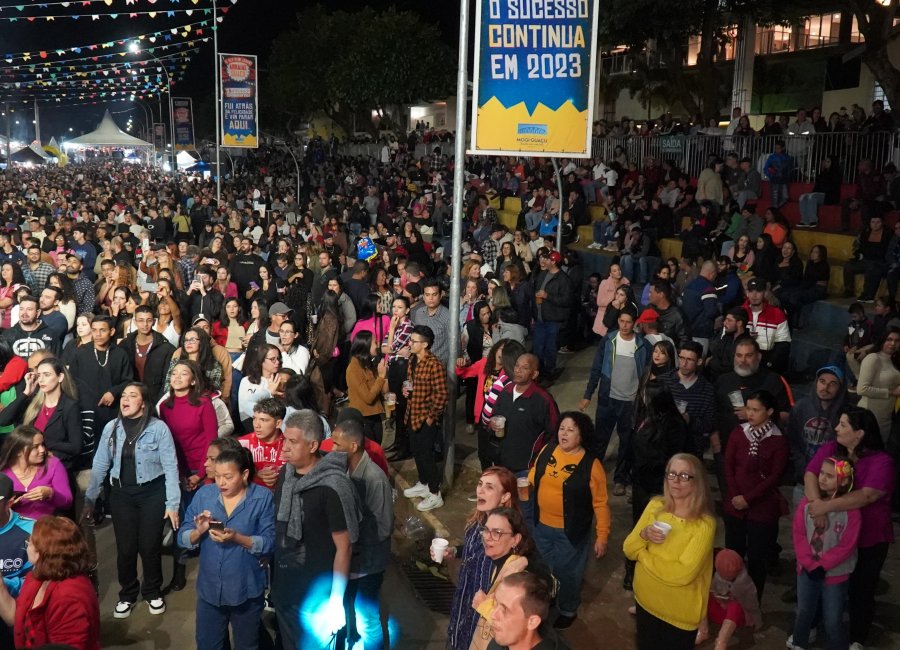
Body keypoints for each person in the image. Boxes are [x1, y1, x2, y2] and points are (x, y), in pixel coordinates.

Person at [84, 382, 181, 618]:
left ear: (144, 403)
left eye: (132, 395)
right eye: (123, 395)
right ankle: (127, 594)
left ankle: (152, 591)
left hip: (152, 493)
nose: (125, 399)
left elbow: (170, 467)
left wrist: (172, 504)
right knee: (126, 548)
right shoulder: (111, 428)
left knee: (149, 547)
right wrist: (90, 499)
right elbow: (100, 464)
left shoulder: (159, 429)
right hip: (121, 495)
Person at [804, 407, 895, 649]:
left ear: (860, 433)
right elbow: (811, 475)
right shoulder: (832, 449)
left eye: (843, 425)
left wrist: (826, 506)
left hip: (869, 536)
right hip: (832, 533)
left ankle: (857, 638)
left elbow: (866, 496)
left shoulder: (881, 461)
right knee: (824, 580)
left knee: (861, 589)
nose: (836, 428)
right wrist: (816, 504)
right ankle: (814, 624)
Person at [271, 409, 360, 650]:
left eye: (292, 441)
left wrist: (335, 601)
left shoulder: (333, 487)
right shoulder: (286, 474)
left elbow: (345, 547)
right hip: (285, 588)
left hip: (317, 598)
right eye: (284, 440)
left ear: (312, 445)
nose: (285, 447)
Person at [178, 446, 275, 650]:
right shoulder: (205, 494)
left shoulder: (262, 498)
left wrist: (238, 538)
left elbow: (270, 541)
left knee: (247, 645)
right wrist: (199, 531)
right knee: (207, 644)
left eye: (228, 477)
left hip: (245, 589)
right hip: (210, 590)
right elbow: (182, 537)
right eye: (218, 476)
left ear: (245, 474)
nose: (221, 482)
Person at [623, 453, 716, 650]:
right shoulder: (656, 506)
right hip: (646, 601)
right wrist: (644, 533)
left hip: (678, 613)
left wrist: (643, 555)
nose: (676, 481)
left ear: (697, 481)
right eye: (671, 474)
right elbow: (628, 549)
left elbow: (682, 575)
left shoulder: (704, 525)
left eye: (684, 476)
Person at [528, 411, 610, 628]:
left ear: (581, 436)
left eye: (571, 429)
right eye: (562, 428)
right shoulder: (548, 450)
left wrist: (602, 535)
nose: (564, 433)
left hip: (570, 532)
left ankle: (568, 609)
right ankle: (548, 599)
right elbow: (535, 474)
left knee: (568, 573)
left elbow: (600, 503)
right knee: (542, 567)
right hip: (541, 526)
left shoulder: (592, 466)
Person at [331, 418, 393, 650]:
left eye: (337, 444)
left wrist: (348, 536)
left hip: (368, 563)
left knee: (368, 618)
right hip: (352, 559)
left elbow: (384, 526)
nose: (333, 449)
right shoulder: (344, 470)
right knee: (348, 611)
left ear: (353, 446)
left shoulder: (375, 479)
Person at [723, 390, 789, 599]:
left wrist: (748, 499)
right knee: (732, 555)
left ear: (769, 412)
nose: (749, 414)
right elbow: (728, 466)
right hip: (734, 504)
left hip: (762, 509)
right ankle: (727, 598)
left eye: (755, 410)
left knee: (757, 559)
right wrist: (735, 496)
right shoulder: (738, 433)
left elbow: (774, 477)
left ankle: (751, 603)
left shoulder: (778, 441)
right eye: (748, 409)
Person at [444, 466, 519, 650]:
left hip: (482, 614)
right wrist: (454, 551)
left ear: (505, 497)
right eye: (480, 484)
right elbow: (472, 551)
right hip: (463, 601)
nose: (480, 490)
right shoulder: (477, 520)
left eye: (490, 487)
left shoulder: (509, 536)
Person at [0, 515, 100, 649]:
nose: (27, 543)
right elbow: (15, 619)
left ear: (42, 553)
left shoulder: (69, 597)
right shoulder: (37, 577)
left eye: (31, 542)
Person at [791, 457, 859, 650]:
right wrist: (808, 562)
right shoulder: (807, 503)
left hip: (835, 574)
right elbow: (799, 534)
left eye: (830, 476)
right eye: (821, 473)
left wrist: (823, 565)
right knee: (803, 611)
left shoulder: (851, 511)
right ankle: (798, 643)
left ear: (844, 481)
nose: (822, 479)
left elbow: (847, 545)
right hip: (806, 570)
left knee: (833, 619)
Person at [580, 310, 648, 494]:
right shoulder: (609, 341)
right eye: (622, 321)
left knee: (626, 442)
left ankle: (620, 479)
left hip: (629, 402)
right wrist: (588, 394)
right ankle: (591, 475)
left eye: (628, 322)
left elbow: (647, 373)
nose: (624, 325)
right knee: (600, 439)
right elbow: (596, 368)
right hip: (607, 399)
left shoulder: (642, 344)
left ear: (634, 323)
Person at [467, 507, 553, 650]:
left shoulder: (518, 573)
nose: (487, 537)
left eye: (497, 533)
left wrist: (485, 606)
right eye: (486, 530)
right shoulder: (498, 560)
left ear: (515, 540)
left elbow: (548, 584)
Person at [491, 353, 559, 522]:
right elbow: (494, 416)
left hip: (526, 470)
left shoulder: (543, 400)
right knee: (503, 508)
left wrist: (539, 463)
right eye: (516, 366)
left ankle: (525, 546)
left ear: (534, 374)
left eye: (525, 367)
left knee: (525, 512)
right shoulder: (505, 392)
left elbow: (554, 433)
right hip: (503, 466)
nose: (518, 370)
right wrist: (493, 426)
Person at [0, 356, 83, 471]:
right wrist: (26, 393)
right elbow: (3, 420)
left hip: (54, 467)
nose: (41, 380)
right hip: (28, 467)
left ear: (60, 377)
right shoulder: (33, 402)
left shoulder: (69, 406)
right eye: (39, 375)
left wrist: (41, 441)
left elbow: (76, 447)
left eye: (47, 375)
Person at [400, 326, 448, 512]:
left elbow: (441, 395)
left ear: (425, 344)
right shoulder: (413, 360)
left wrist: (430, 418)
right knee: (417, 452)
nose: (410, 343)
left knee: (427, 455)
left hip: (425, 418)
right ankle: (424, 483)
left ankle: (435, 494)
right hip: (412, 414)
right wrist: (406, 391)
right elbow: (411, 384)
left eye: (414, 341)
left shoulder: (434, 365)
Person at [0, 425, 72, 520]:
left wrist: (50, 493)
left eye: (42, 444)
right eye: (35, 447)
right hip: (12, 527)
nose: (42, 450)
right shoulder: (3, 472)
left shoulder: (53, 464)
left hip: (44, 527)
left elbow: (67, 502)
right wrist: (7, 506)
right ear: (18, 451)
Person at [695, 549, 761, 650]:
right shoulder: (717, 576)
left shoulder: (746, 583)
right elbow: (713, 589)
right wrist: (718, 598)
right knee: (702, 595)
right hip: (720, 613)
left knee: (735, 606)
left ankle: (721, 642)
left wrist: (733, 598)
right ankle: (703, 631)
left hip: (738, 619)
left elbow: (752, 606)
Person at [485, 571, 569, 650]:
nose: (493, 615)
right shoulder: (496, 645)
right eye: (495, 604)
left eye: (505, 610)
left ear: (532, 622)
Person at [121, 304, 176, 403]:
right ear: (135, 322)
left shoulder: (166, 347)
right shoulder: (125, 345)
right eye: (141, 320)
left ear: (154, 321)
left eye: (149, 320)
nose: (145, 324)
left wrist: (160, 403)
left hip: (155, 401)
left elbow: (167, 380)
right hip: (130, 400)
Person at [531, 251, 572, 380]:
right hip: (540, 318)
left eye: (547, 259)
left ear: (553, 262)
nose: (544, 261)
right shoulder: (543, 274)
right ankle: (539, 372)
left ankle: (549, 373)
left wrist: (548, 296)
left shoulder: (564, 279)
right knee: (538, 348)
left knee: (549, 349)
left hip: (553, 320)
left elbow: (567, 301)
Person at [855, 328, 900, 440]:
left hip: (886, 418)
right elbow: (862, 389)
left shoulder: (894, 361)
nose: (893, 343)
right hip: (869, 416)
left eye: (897, 340)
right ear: (882, 340)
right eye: (889, 339)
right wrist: (891, 392)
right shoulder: (873, 358)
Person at [345, 331, 387, 444]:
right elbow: (368, 398)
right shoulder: (353, 368)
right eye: (375, 342)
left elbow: (382, 391)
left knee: (377, 451)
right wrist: (381, 377)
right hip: (363, 418)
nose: (377, 345)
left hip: (375, 415)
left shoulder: (368, 364)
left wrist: (384, 375)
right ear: (365, 345)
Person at [239, 397, 286, 491]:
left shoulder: (291, 445)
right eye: (254, 418)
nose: (256, 425)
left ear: (278, 423)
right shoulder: (241, 444)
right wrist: (254, 474)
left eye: (263, 420)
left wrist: (281, 477)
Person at [238, 343, 283, 427]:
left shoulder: (282, 379)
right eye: (272, 359)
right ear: (261, 360)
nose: (277, 362)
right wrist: (269, 392)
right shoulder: (246, 381)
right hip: (252, 424)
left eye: (278, 358)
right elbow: (244, 411)